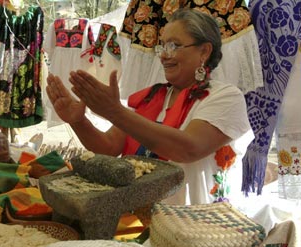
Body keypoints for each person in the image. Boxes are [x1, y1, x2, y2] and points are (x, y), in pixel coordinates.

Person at [46, 8, 251, 205]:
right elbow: (109, 147)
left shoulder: (225, 97)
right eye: (162, 46)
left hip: (196, 227)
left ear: (204, 51)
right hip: (139, 218)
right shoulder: (151, 97)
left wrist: (115, 112)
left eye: (174, 45)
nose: (163, 55)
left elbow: (188, 149)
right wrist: (78, 121)